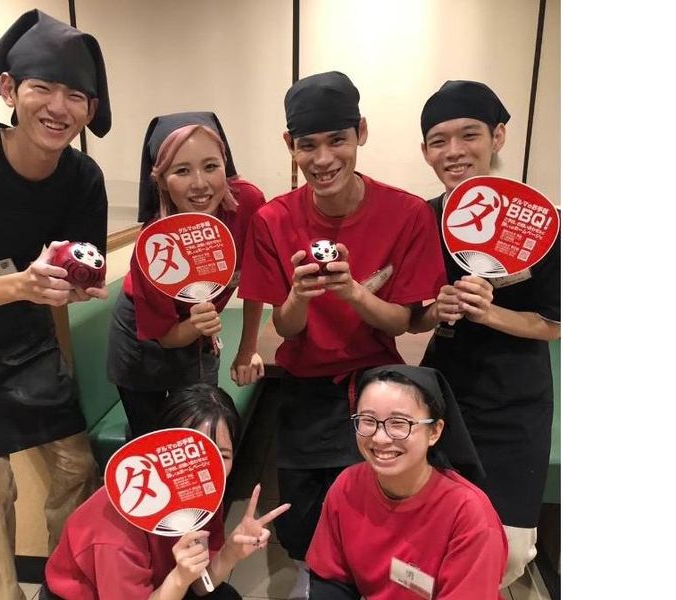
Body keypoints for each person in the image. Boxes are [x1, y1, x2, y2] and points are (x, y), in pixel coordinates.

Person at [238, 71, 447, 597]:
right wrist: (299, 297)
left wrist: (353, 293)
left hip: (376, 384)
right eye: (307, 145)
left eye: (338, 140)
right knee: (304, 521)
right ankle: (314, 579)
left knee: (374, 511)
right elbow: (284, 327)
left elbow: (402, 321)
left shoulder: (406, 213)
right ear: (290, 146)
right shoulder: (273, 220)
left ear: (361, 133)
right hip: (305, 387)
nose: (323, 158)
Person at [0, 9, 112, 600]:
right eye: (42, 87)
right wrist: (21, 287)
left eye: (75, 95)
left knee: (76, 467)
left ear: (90, 109)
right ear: (9, 90)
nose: (59, 107)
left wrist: (73, 287)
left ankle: (63, 587)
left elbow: (76, 270)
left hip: (30, 347)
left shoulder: (83, 179)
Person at [409, 80, 561, 587]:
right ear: (426, 151)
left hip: (516, 398)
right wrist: (436, 310)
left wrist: (489, 313)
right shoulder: (423, 218)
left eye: (469, 134)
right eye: (439, 140)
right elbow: (411, 314)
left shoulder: (541, 223)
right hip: (444, 387)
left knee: (508, 547)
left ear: (498, 136)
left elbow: (555, 324)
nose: (454, 151)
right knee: (431, 525)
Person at [42, 383, 291, 599]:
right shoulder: (116, 534)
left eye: (222, 455)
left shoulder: (202, 493)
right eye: (191, 453)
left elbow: (201, 585)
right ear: (160, 447)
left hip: (161, 585)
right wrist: (179, 579)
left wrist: (230, 554)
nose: (205, 468)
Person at [107, 112, 267, 439]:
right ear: (161, 180)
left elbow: (256, 279)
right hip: (143, 338)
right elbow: (166, 336)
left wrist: (247, 348)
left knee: (202, 430)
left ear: (225, 164)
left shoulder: (247, 204)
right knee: (155, 439)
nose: (200, 184)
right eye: (181, 170)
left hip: (200, 330)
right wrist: (196, 326)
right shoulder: (155, 245)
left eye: (211, 166)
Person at [306, 365, 507, 599]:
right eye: (368, 420)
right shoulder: (348, 485)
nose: (380, 438)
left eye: (399, 423)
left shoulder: (469, 514)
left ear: (434, 431)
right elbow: (332, 579)